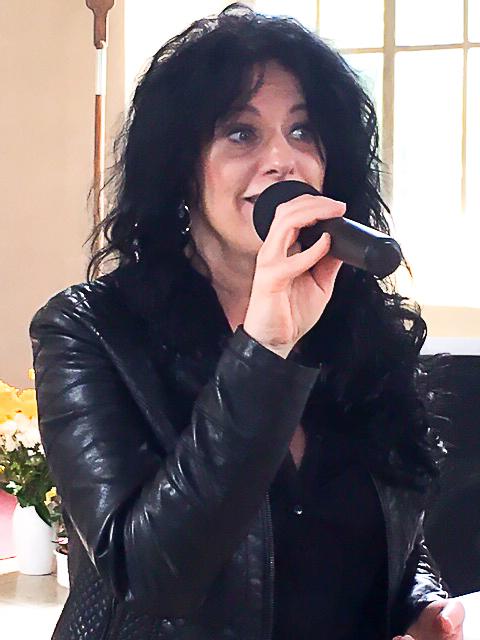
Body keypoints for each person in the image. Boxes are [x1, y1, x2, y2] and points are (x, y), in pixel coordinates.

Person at [30, 4, 464, 639]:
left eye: (303, 131)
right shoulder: (88, 330)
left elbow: (395, 524)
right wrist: (264, 347)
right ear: (181, 167)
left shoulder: (359, 324)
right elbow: (152, 580)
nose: (282, 160)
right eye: (241, 132)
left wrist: (422, 603)